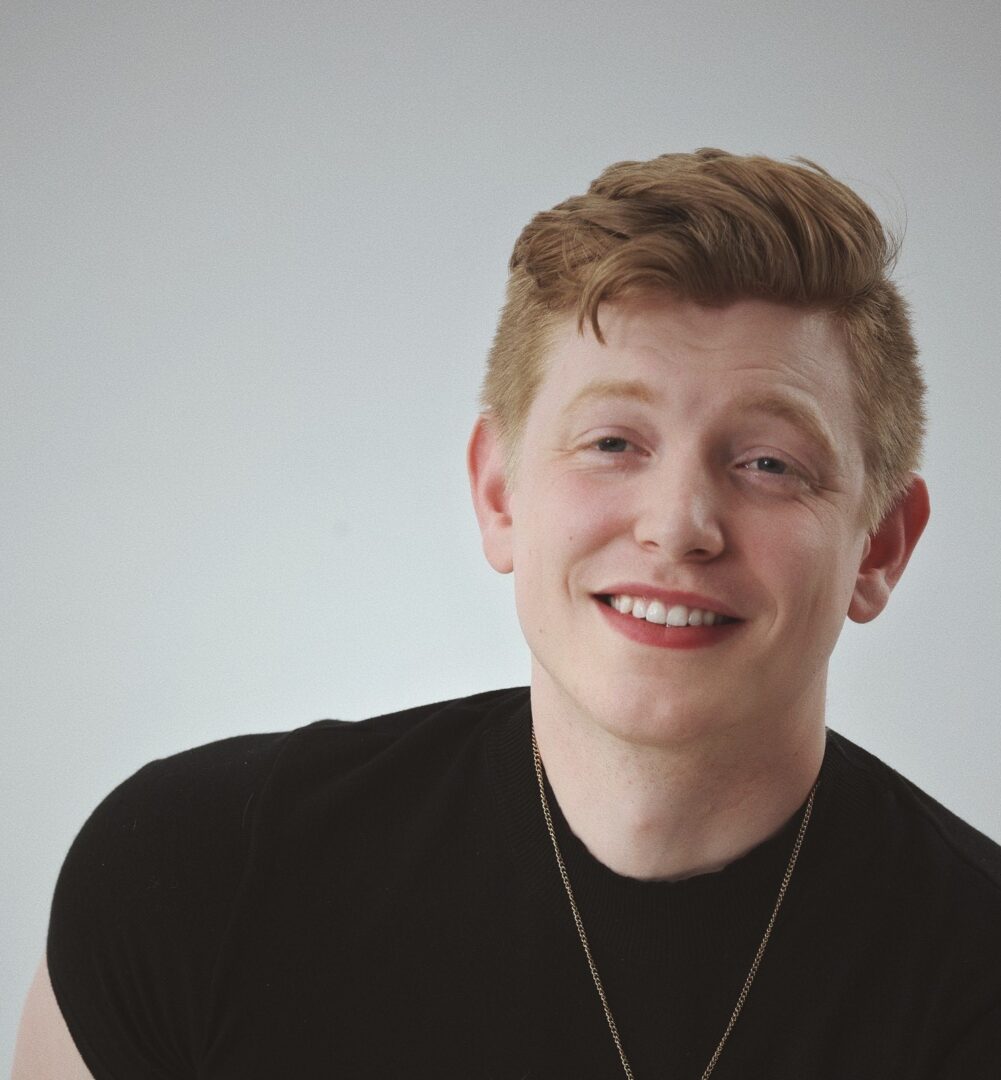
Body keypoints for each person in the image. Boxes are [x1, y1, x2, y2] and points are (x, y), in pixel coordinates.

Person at [14, 149, 1001, 1079]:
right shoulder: (198, 875)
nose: (678, 526)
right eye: (613, 441)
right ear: (498, 496)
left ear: (878, 547)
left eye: (768, 464)